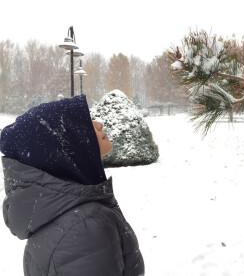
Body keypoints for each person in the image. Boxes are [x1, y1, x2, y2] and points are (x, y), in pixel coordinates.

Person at [0, 94, 144, 276]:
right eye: (85, 121)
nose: (99, 123)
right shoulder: (85, 226)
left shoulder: (65, 214)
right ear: (63, 146)